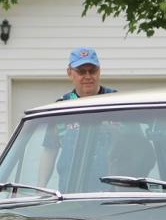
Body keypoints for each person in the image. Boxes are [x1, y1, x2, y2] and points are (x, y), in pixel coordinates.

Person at [37, 47, 118, 186]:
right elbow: (50, 149)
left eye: (92, 71)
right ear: (70, 73)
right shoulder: (61, 108)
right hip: (70, 191)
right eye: (81, 71)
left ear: (99, 71)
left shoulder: (117, 102)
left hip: (112, 190)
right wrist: (40, 187)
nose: (88, 76)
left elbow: (137, 145)